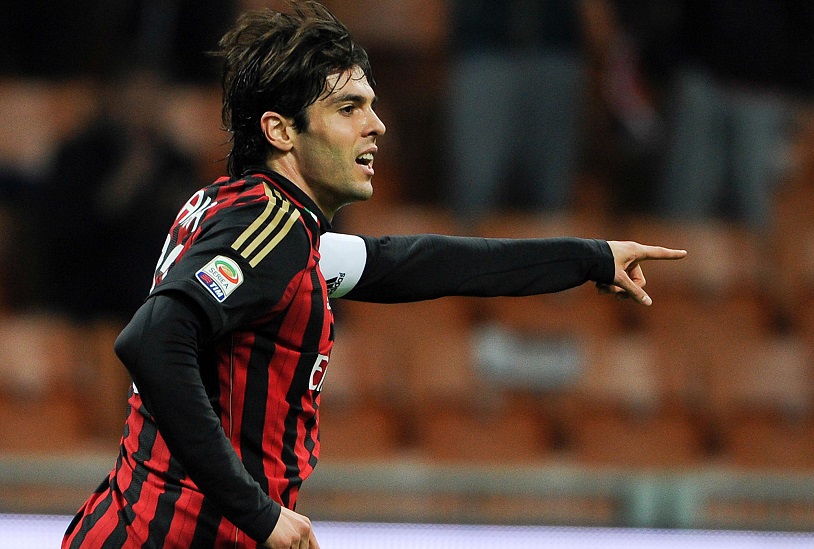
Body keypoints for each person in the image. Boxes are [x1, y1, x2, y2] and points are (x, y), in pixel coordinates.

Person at [62, 2, 686, 548]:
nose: (376, 125)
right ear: (280, 131)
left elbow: (421, 264)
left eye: (371, 106)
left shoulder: (255, 219)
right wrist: (257, 511)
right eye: (348, 108)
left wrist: (589, 257)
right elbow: (153, 339)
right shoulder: (268, 228)